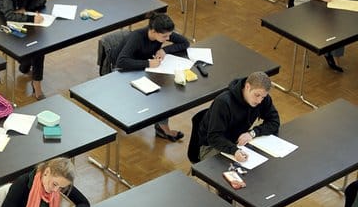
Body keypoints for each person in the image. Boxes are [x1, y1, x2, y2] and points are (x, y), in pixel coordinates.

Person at [115, 13, 190, 142]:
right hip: (123, 71)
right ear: (153, 31)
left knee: (164, 91)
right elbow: (121, 62)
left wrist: (165, 50)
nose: (167, 38)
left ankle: (162, 127)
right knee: (156, 93)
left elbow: (185, 42)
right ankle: (160, 126)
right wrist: (148, 63)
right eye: (164, 36)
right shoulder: (137, 37)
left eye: (169, 35)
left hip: (143, 69)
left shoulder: (162, 32)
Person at [197, 71, 280, 162]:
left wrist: (253, 133)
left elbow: (274, 121)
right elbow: (214, 137)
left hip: (237, 142)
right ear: (247, 86)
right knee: (231, 174)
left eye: (263, 97)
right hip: (211, 147)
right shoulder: (223, 103)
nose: (259, 101)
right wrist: (234, 150)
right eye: (257, 95)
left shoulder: (262, 98)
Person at [0, 0, 49, 100]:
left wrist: (23, 10)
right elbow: (9, 15)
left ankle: (37, 82)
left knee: (39, 46)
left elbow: (42, 2)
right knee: (31, 47)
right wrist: (28, 17)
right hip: (6, 26)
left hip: (24, 22)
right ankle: (25, 64)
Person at [294, 0, 353, 73]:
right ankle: (329, 52)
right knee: (329, 24)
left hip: (324, 2)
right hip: (305, 4)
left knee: (339, 23)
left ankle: (333, 54)